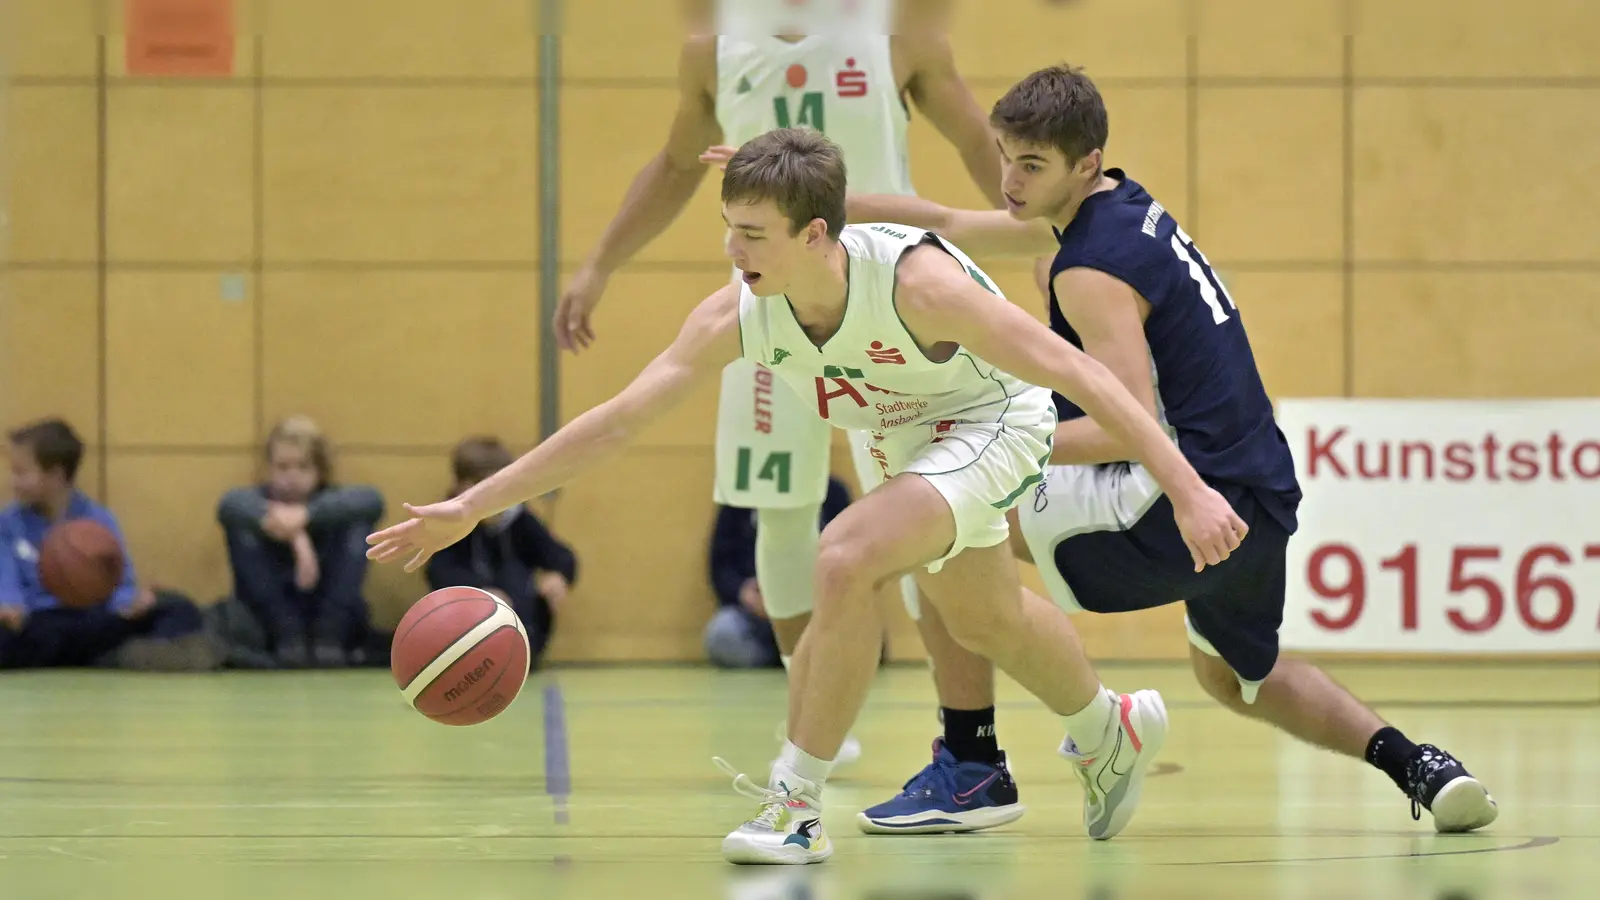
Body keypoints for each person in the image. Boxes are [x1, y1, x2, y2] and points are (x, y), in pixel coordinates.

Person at [368, 127, 1248, 865]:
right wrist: (474, 506)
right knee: (986, 618)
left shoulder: (917, 286)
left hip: (993, 418)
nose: (733, 250)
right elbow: (618, 422)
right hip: (905, 430)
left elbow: (1078, 374)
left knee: (845, 555)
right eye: (729, 228)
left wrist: (1187, 489)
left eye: (753, 233)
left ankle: (796, 806)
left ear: (817, 234)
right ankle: (1109, 731)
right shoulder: (739, 311)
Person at [843, 64, 1499, 834]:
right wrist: (816, 206)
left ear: (1084, 162)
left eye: (1031, 165)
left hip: (1182, 497)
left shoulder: (1088, 270)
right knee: (1236, 676)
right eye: (1004, 158)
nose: (1010, 182)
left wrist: (996, 446)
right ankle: (1419, 765)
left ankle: (978, 764)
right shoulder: (1122, 208)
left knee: (929, 527)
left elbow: (1122, 425)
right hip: (1258, 493)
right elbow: (946, 225)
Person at [555, 0, 1029, 816]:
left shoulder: (897, 32)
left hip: (890, 302)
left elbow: (977, 143)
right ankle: (810, 717)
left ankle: (964, 737)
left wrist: (1045, 235)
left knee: (926, 524)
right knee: (778, 509)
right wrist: (600, 262)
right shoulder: (712, 47)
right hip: (774, 312)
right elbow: (675, 166)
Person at [0, 418, 219, 671]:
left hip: (95, 618)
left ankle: (136, 654)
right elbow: (6, 582)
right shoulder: (8, 523)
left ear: (56, 475)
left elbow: (120, 579)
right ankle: (115, 656)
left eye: (21, 473)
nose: (13, 481)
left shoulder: (99, 519)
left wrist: (130, 605)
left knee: (178, 607)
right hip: (38, 621)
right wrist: (10, 609)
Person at [217, 416, 385, 668]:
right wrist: (296, 536)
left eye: (303, 467)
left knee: (356, 525)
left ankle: (330, 637)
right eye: (282, 467)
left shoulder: (334, 500)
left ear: (320, 471)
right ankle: (287, 635)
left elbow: (373, 500)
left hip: (329, 615)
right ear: (269, 469)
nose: (292, 477)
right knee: (244, 529)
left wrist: (307, 515)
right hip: (269, 620)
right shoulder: (254, 500)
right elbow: (228, 504)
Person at [424, 436, 577, 670]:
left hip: (522, 629)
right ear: (463, 488)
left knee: (514, 571)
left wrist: (559, 576)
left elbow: (562, 556)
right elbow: (438, 571)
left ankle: (520, 648)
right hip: (467, 633)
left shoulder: (520, 520)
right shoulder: (450, 524)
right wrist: (481, 594)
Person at [705, 476, 852, 670]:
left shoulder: (833, 492)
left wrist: (818, 596)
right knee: (722, 634)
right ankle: (787, 660)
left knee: (858, 633)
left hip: (816, 614)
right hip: (755, 618)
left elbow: (848, 561)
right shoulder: (741, 494)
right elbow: (721, 563)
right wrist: (744, 593)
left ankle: (803, 658)